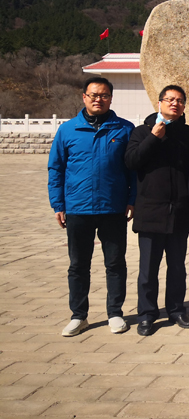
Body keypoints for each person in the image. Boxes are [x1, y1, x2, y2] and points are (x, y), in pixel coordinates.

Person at [48, 77, 136, 337]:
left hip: (113, 208)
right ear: (84, 97)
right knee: (78, 265)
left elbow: (133, 170)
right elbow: (56, 169)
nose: (99, 99)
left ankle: (115, 313)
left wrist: (132, 199)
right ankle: (79, 316)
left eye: (104, 95)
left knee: (115, 264)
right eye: (94, 95)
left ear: (111, 98)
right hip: (78, 208)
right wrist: (58, 204)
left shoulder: (124, 129)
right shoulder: (68, 130)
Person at [125, 85, 189, 337]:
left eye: (179, 100)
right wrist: (153, 138)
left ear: (184, 106)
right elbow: (132, 161)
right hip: (150, 212)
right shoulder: (142, 131)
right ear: (159, 103)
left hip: (179, 211)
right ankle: (147, 314)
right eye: (169, 99)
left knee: (177, 267)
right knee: (148, 269)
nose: (174, 104)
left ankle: (176, 310)